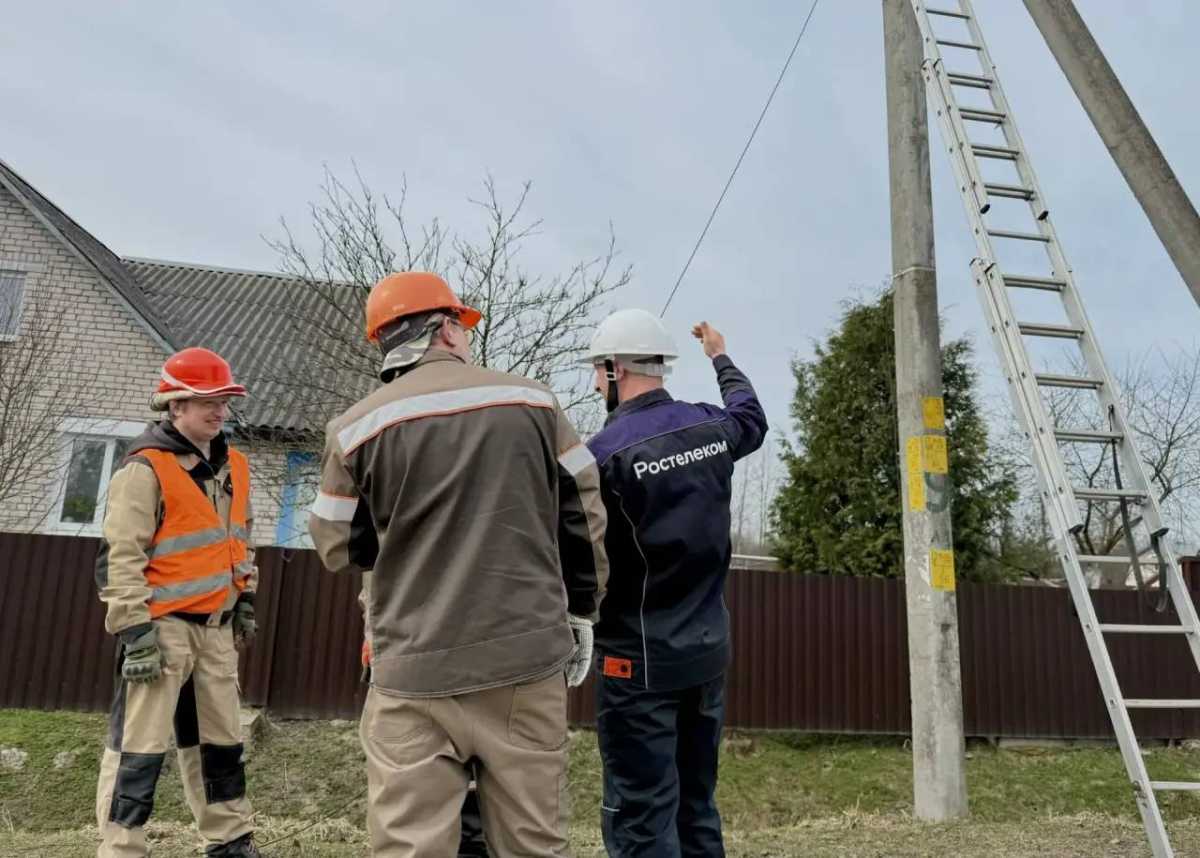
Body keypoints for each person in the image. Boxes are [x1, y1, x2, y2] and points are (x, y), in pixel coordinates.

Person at [309, 271, 609, 856]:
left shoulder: (352, 431)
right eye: (463, 325)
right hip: (527, 661)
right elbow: (583, 515)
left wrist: (405, 545)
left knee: (410, 845)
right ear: (445, 328)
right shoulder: (534, 403)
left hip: (412, 672)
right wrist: (581, 610)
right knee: (532, 843)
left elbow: (338, 546)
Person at [581, 310, 767, 857]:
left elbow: (574, 553)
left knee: (642, 814)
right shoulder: (711, 427)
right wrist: (720, 356)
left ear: (615, 369)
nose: (595, 383)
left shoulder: (601, 458)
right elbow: (750, 415)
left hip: (636, 666)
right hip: (706, 656)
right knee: (696, 806)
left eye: (597, 371)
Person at [94, 347, 260, 858]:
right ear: (174, 405)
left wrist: (245, 597)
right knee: (138, 748)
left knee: (220, 745)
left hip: (215, 627)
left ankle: (229, 840)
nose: (218, 411)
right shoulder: (145, 470)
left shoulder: (235, 464)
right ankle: (121, 847)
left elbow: (242, 539)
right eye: (205, 401)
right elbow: (120, 558)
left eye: (224, 401)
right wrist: (135, 632)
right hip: (160, 630)